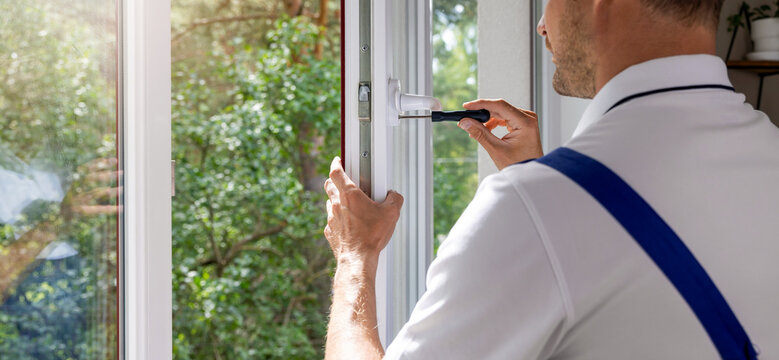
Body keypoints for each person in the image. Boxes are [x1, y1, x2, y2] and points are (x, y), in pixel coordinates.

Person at [323, 0, 779, 358]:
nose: (542, 24)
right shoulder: (767, 150)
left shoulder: (530, 208)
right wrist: (543, 186)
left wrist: (354, 258)